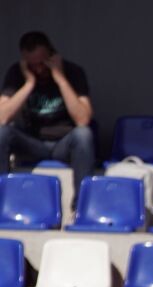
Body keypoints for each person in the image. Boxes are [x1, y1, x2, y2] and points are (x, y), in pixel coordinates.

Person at [0, 31, 95, 197]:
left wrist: (59, 78)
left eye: (42, 63)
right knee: (1, 132)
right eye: (32, 65)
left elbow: (83, 119)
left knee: (84, 134)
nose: (38, 69)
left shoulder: (73, 72)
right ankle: (2, 199)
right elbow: (2, 117)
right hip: (32, 143)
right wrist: (29, 83)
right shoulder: (17, 73)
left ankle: (81, 204)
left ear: (52, 56)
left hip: (64, 143)